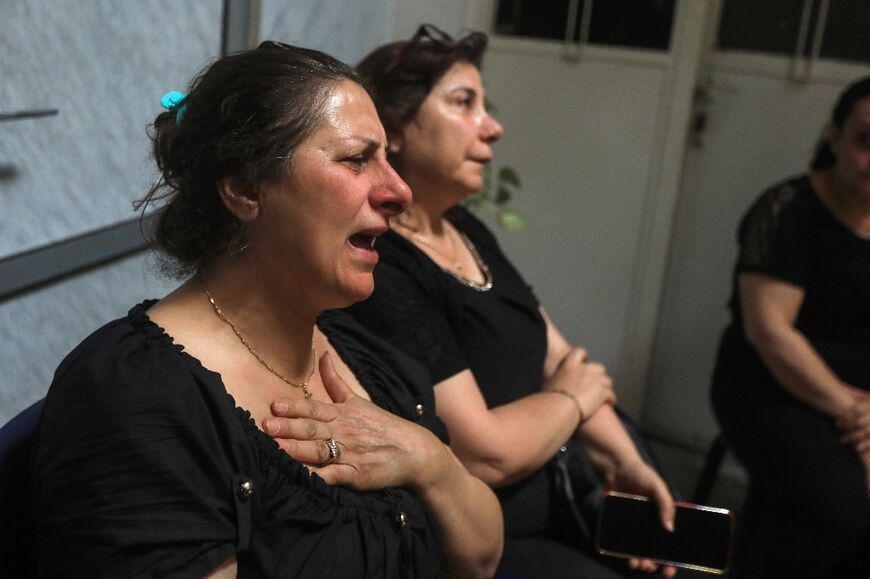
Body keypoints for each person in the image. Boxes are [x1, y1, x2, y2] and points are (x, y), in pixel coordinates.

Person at [29, 41, 503, 579]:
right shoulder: (135, 398)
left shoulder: (357, 351)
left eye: (387, 161)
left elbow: (482, 556)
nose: (399, 191)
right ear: (244, 188)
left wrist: (429, 461)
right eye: (355, 159)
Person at [271, 24, 674, 578]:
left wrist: (622, 460)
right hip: (492, 528)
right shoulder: (382, 263)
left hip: (565, 484)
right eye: (464, 103)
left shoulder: (466, 228)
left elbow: (564, 358)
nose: (493, 126)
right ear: (398, 128)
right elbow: (486, 452)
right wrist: (571, 402)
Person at [710, 76, 870, 578]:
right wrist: (857, 417)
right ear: (834, 136)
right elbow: (770, 332)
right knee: (838, 512)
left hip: (863, 402)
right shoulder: (787, 209)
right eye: (866, 141)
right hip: (773, 385)